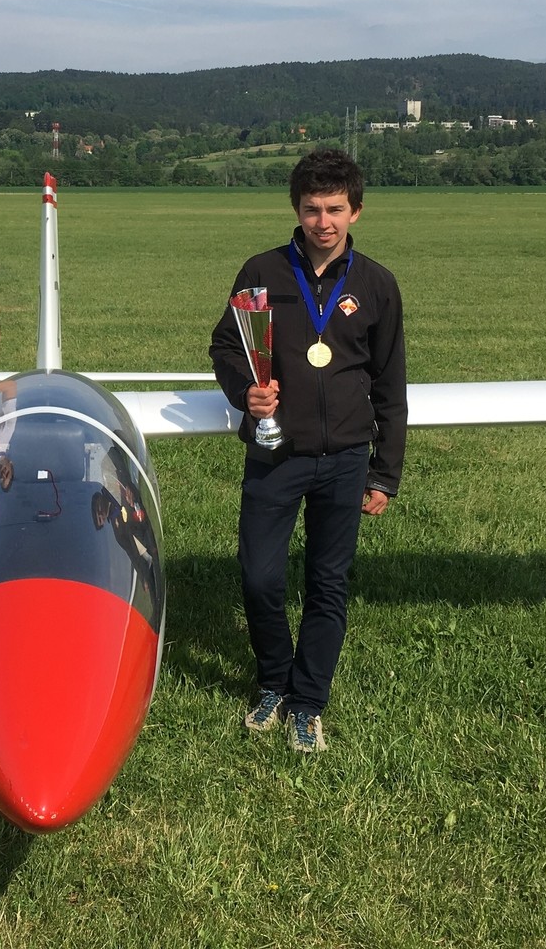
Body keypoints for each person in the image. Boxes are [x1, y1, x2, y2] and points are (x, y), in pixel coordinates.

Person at [208, 147, 406, 753]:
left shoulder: (376, 284)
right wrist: (245, 393)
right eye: (313, 208)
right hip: (276, 453)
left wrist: (384, 472)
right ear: (297, 209)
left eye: (335, 209)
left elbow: (390, 383)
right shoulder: (262, 271)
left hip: (345, 459)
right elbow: (226, 346)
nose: (324, 221)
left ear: (356, 211)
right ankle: (274, 680)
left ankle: (308, 701)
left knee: (328, 584)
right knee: (259, 577)